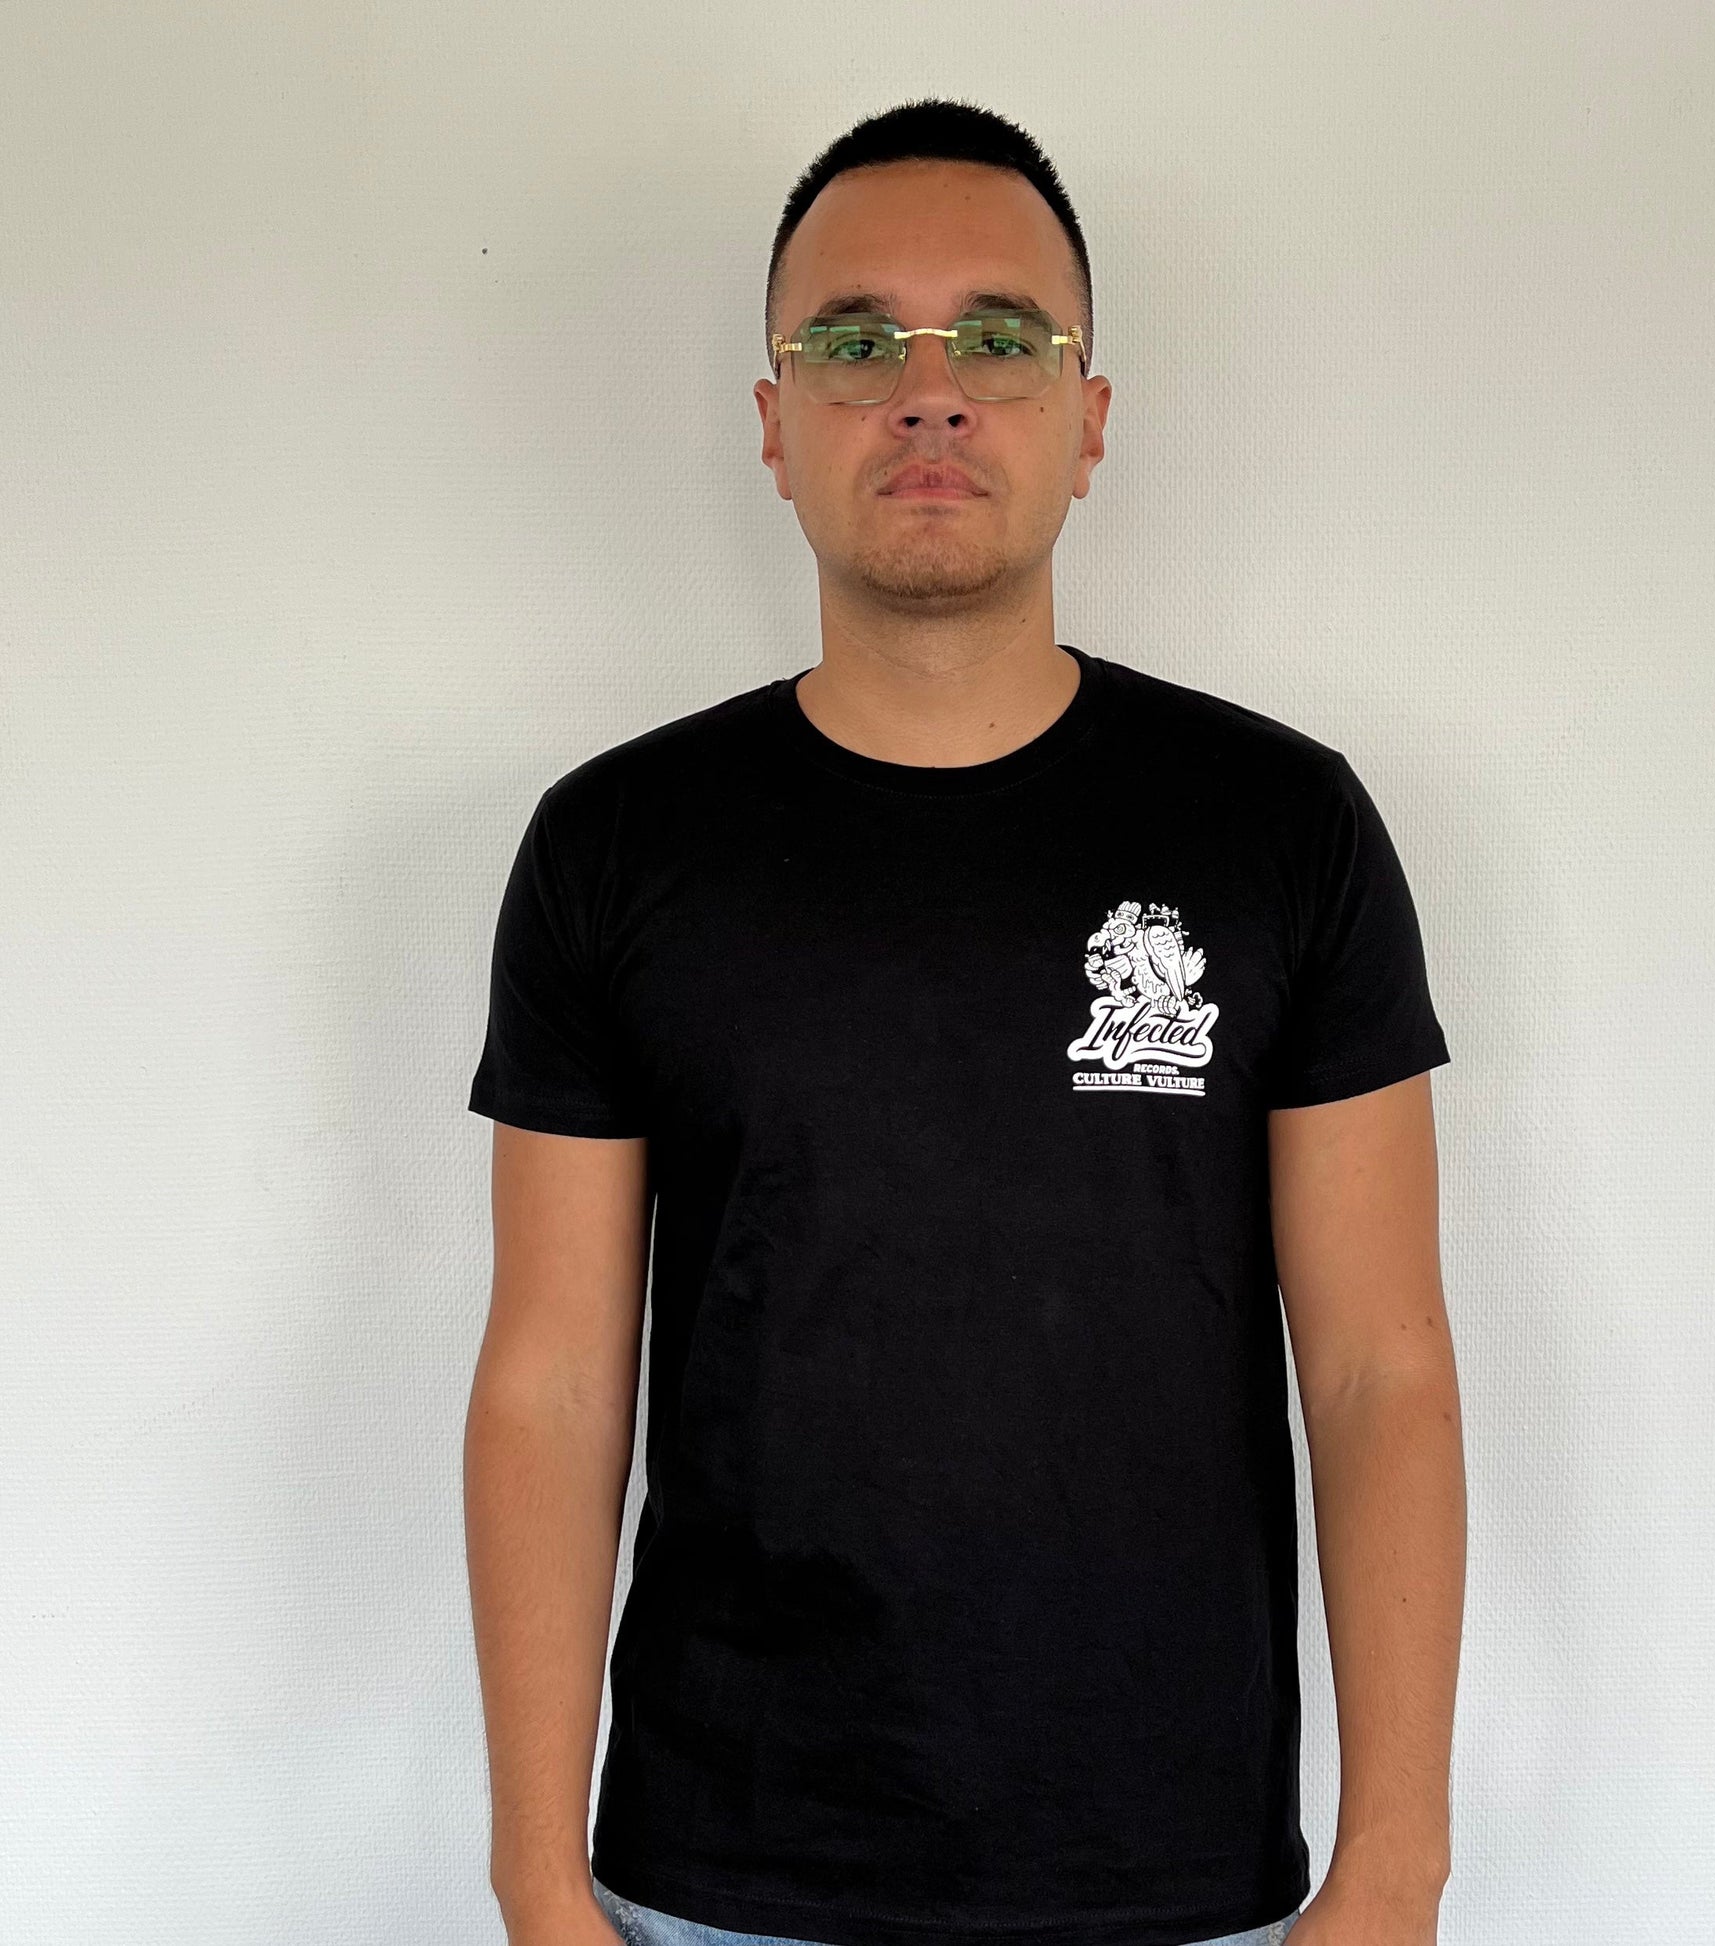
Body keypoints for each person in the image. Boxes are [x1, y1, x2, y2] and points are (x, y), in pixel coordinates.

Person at [464, 96, 1465, 1946]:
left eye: (999, 336)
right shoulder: (615, 844)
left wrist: (1393, 1868)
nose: (928, 393)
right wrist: (536, 1873)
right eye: (854, 342)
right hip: (719, 1877)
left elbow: (1376, 1369)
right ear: (775, 422)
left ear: (1088, 417)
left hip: (1178, 1883)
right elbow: (552, 1378)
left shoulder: (1280, 826)